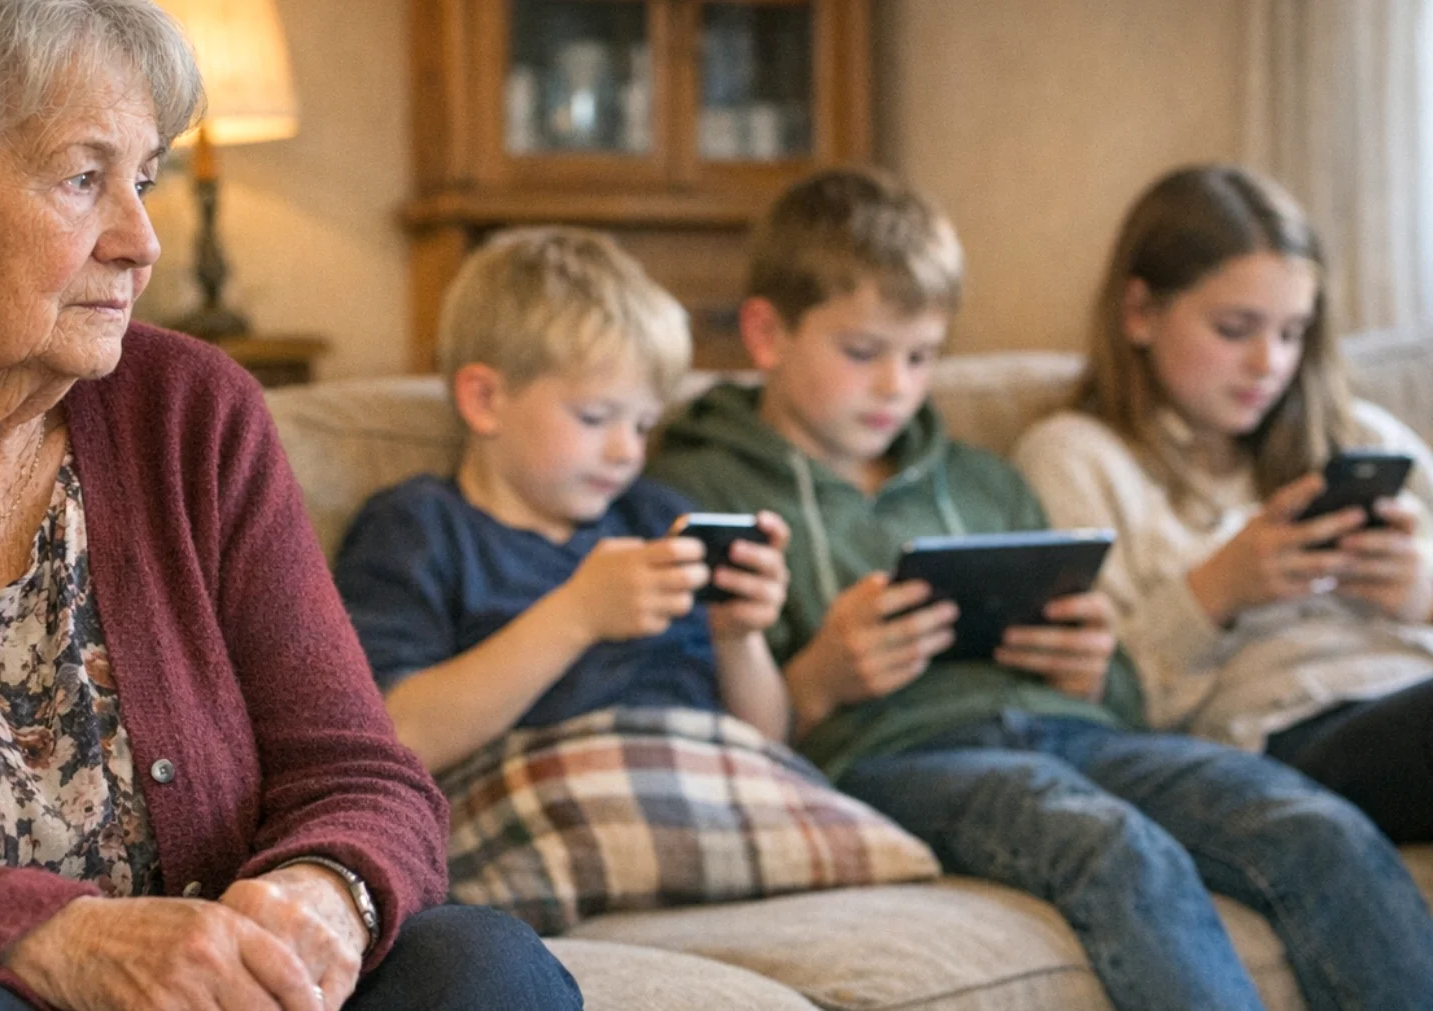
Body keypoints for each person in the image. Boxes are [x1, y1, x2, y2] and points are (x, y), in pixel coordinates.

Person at [0, 2, 581, 1009]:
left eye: (146, 179)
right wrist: (66, 941)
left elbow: (359, 769)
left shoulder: (195, 414)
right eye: (83, 180)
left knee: (480, 964)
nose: (141, 242)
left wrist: (321, 895)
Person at [645, 165, 1433, 1010]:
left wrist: (1091, 664)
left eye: (922, 357)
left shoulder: (984, 481)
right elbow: (707, 738)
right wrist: (821, 677)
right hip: (893, 754)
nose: (896, 386)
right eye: (863, 352)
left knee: (1316, 826)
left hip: (1070, 729)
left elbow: (1127, 697)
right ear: (766, 335)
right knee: (1113, 846)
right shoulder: (697, 491)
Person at [1013, 164, 1433, 846]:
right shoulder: (1077, 456)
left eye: (1293, 332)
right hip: (1287, 733)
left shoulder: (1360, 435)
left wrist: (1422, 593)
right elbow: (1080, 706)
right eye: (1236, 329)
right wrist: (1215, 591)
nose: (1269, 361)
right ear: (1140, 312)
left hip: (1409, 680)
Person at [333, 226, 792, 776]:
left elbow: (770, 744)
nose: (627, 451)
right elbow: (397, 736)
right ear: (485, 398)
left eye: (644, 424)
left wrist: (738, 636)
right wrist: (578, 615)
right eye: (595, 418)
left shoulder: (658, 519)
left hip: (719, 780)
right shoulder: (418, 528)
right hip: (548, 786)